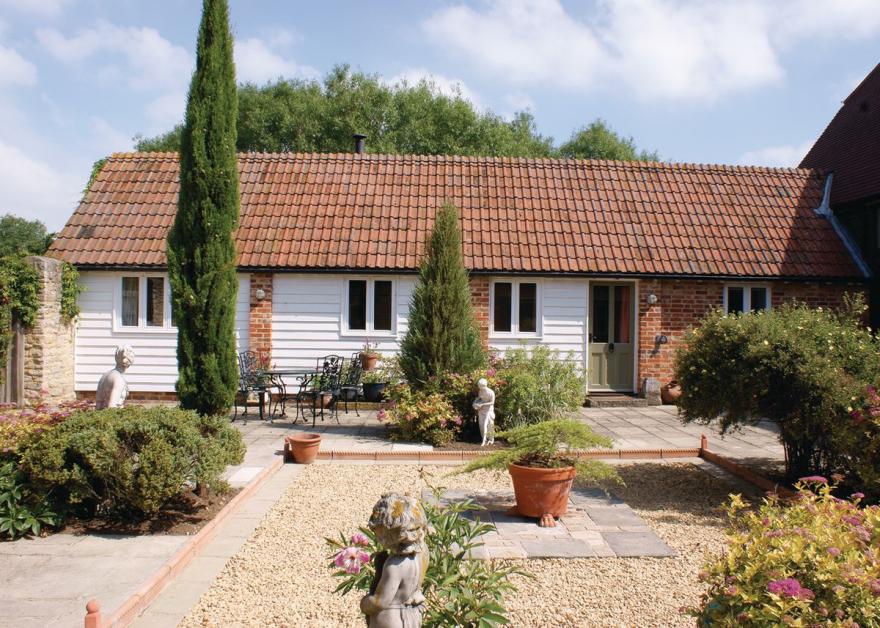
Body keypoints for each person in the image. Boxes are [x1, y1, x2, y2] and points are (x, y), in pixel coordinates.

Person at [361, 493, 429, 627]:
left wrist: (365, 603)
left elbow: (380, 602)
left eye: (379, 533)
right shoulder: (423, 552)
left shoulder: (395, 565)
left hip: (391, 620)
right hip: (411, 616)